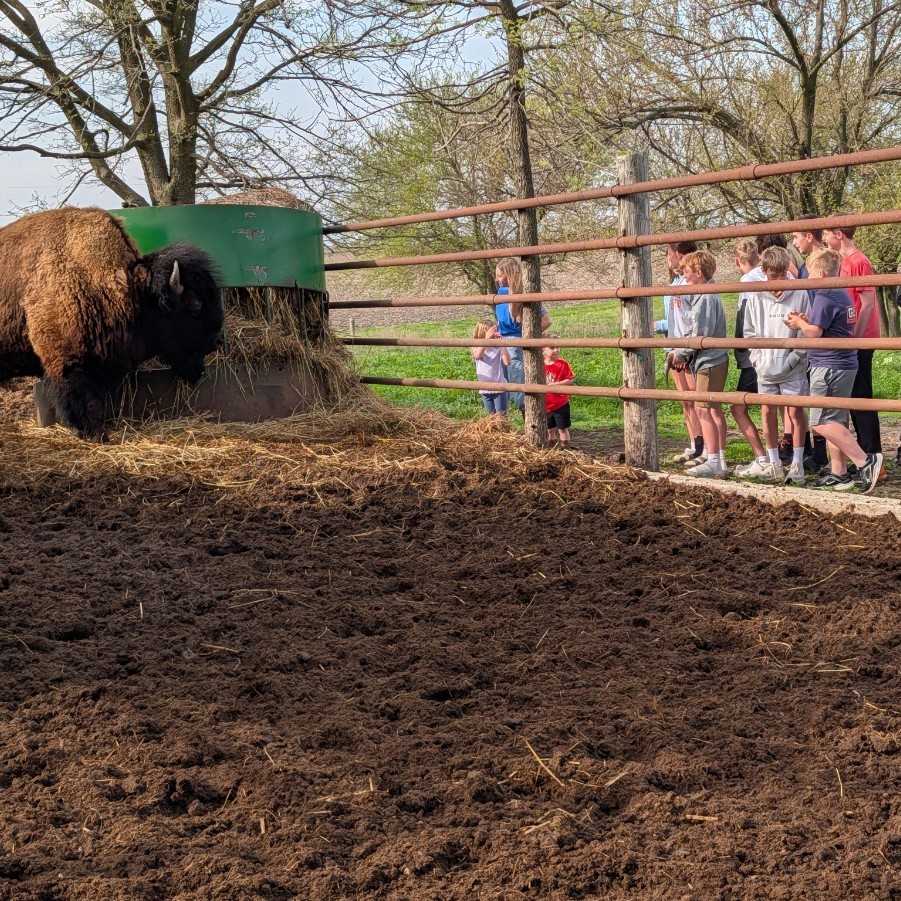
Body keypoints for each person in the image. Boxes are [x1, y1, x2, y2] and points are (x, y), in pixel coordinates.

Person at [785, 248, 883, 492]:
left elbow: (815, 333)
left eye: (809, 272)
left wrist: (800, 324)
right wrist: (808, 320)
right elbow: (826, 324)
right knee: (836, 419)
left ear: (819, 272)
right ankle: (839, 472)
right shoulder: (841, 292)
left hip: (828, 364)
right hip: (844, 364)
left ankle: (865, 461)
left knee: (819, 422)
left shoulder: (824, 295)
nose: (807, 277)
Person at [742, 246, 811, 483]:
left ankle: (797, 464)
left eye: (784, 274)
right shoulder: (755, 296)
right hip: (765, 367)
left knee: (795, 411)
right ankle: (773, 462)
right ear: (764, 272)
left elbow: (804, 332)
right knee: (767, 411)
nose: (781, 281)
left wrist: (793, 360)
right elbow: (749, 333)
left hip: (793, 366)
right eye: (775, 276)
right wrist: (757, 360)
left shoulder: (800, 293)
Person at [822, 217, 883, 466]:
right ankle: (864, 453)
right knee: (852, 396)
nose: (824, 238)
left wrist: (855, 339)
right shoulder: (842, 262)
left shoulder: (859, 261)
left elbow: (867, 303)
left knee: (861, 395)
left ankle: (873, 454)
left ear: (839, 233)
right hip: (851, 337)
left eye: (826, 234)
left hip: (860, 338)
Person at [671, 250, 730, 479]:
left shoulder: (705, 297)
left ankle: (713, 460)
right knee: (709, 409)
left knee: (703, 409)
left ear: (698, 272)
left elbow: (700, 334)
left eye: (686, 272)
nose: (684, 276)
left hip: (709, 360)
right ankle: (717, 458)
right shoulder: (706, 294)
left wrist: (681, 352)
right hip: (711, 359)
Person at [657, 241, 704, 465]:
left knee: (696, 399)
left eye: (668, 255)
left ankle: (705, 446)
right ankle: (694, 443)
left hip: (684, 348)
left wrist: (657, 325)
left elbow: (687, 318)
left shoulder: (689, 283)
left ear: (677, 254)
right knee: (685, 401)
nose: (667, 260)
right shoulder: (675, 282)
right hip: (673, 346)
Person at [730, 239, 769, 477]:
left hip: (752, 352)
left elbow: (744, 315)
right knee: (771, 404)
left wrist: (738, 343)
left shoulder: (747, 281)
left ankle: (762, 457)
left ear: (737, 261)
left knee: (738, 407)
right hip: (771, 348)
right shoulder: (767, 276)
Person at [494, 258, 551, 417]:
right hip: (502, 343)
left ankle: (532, 421)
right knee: (502, 385)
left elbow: (546, 320)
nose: (497, 279)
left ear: (510, 275)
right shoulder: (501, 296)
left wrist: (527, 336)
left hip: (514, 345)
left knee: (518, 385)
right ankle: (502, 422)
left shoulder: (522, 294)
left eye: (499, 276)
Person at [471, 320, 511, 416]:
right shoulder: (477, 346)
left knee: (500, 416)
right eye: (492, 331)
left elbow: (507, 362)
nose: (495, 334)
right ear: (483, 333)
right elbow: (478, 355)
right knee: (491, 417)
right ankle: (494, 431)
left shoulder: (497, 348)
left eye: (496, 330)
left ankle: (502, 430)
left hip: (499, 388)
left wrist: (503, 345)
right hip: (485, 388)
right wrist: (487, 339)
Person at [543, 336, 575, 448]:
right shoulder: (539, 365)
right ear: (543, 350)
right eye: (552, 347)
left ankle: (565, 449)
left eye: (557, 347)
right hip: (546, 405)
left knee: (562, 428)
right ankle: (551, 449)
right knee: (549, 430)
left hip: (560, 403)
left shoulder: (563, 364)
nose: (556, 350)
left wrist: (555, 385)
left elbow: (570, 379)